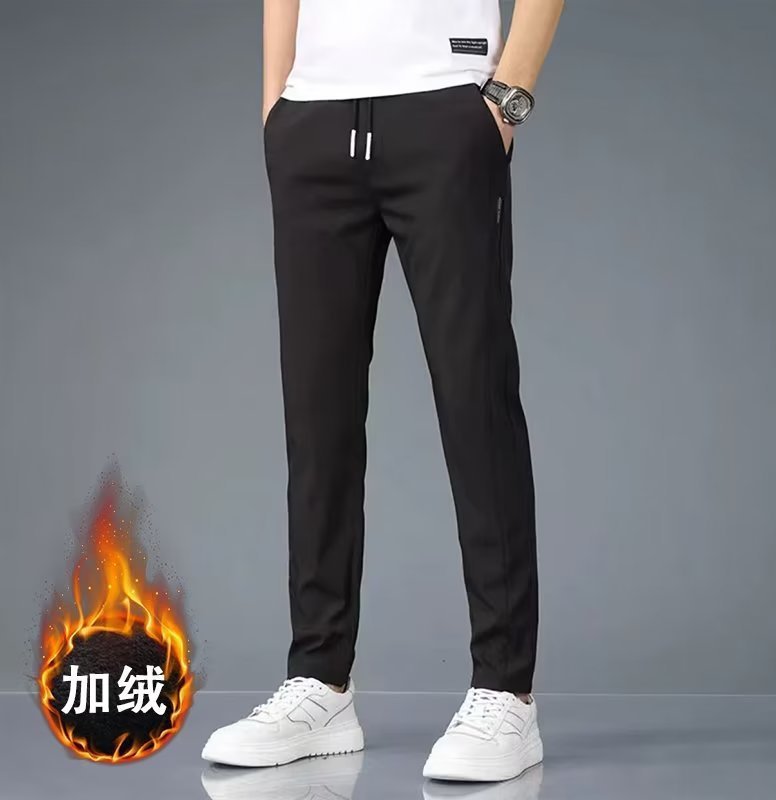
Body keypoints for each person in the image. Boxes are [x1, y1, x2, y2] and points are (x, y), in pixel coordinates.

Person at [202, 0, 564, 782]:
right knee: (317, 414)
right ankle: (320, 679)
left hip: (446, 107)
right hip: (313, 120)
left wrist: (506, 100)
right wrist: (278, 105)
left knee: (475, 398)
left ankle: (506, 691)